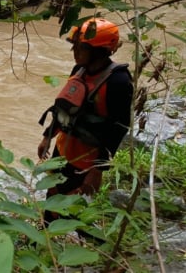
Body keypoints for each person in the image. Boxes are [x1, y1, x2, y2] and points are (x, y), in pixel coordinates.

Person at [37, 18, 133, 213]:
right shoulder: (79, 70)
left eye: (81, 48)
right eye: (75, 47)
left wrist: (98, 170)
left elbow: (118, 128)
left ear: (99, 51)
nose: (75, 52)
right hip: (63, 148)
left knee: (69, 205)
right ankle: (46, 235)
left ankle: (63, 238)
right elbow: (64, 107)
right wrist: (48, 136)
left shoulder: (118, 82)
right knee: (52, 196)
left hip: (86, 159)